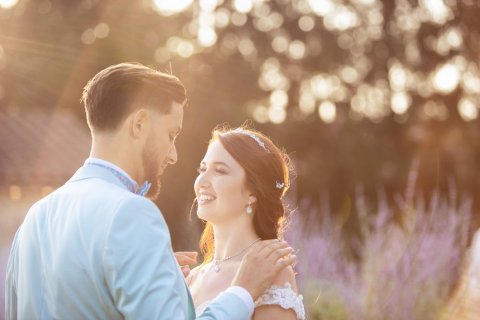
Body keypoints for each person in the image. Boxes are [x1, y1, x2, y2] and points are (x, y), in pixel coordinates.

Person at [5, 62, 296, 319]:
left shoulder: (34, 218)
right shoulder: (129, 212)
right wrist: (242, 292)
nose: (173, 156)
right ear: (140, 124)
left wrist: (155, 275)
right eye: (171, 135)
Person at [187, 126, 305, 320]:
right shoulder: (192, 278)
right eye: (202, 169)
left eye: (220, 171)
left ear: (252, 192)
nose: (201, 181)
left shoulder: (270, 273)